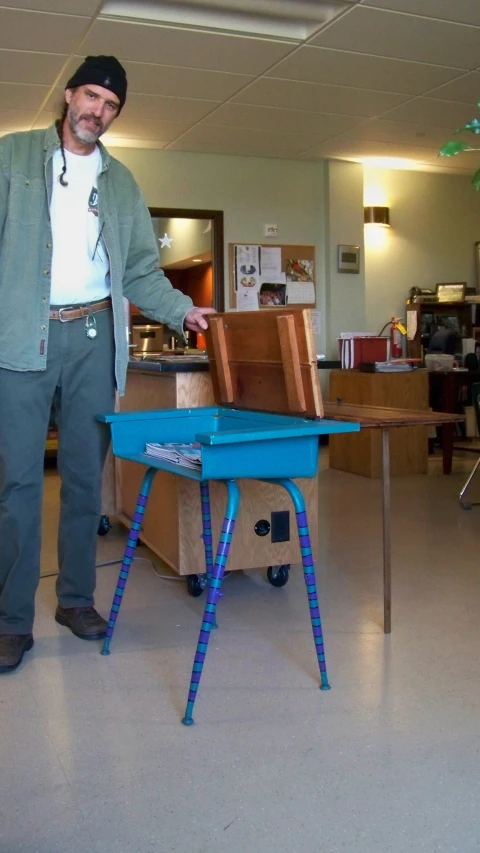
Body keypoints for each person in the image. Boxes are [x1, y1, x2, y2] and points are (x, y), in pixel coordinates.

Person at [0, 55, 215, 673]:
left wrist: (182, 312)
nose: (98, 111)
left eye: (111, 104)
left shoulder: (122, 183)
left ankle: (75, 600)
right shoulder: (14, 158)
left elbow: (143, 270)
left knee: (86, 481)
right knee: (16, 482)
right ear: (69, 95)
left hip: (95, 335)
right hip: (22, 337)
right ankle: (11, 619)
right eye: (91, 96)